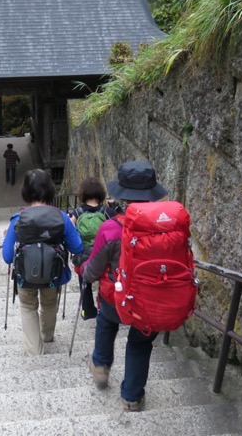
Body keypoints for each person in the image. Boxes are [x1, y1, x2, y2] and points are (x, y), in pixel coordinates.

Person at [82, 160, 168, 412]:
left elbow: (93, 270)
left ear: (121, 195)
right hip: (153, 299)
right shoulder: (168, 226)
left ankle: (100, 364)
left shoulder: (111, 228)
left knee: (107, 322)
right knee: (140, 344)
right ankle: (131, 398)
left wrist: (83, 271)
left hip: (117, 298)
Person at [2, 169, 83, 356]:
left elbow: (7, 256)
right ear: (50, 190)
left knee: (28, 307)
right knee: (49, 303)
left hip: (25, 276)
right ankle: (47, 336)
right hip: (53, 275)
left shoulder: (17, 219)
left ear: (26, 192)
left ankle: (35, 352)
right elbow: (77, 247)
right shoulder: (61, 217)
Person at [70, 177, 117, 320]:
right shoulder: (107, 211)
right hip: (104, 256)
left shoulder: (77, 213)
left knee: (83, 277)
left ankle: (88, 310)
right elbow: (119, 226)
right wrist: (115, 207)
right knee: (105, 277)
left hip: (84, 256)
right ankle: (104, 306)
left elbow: (70, 230)